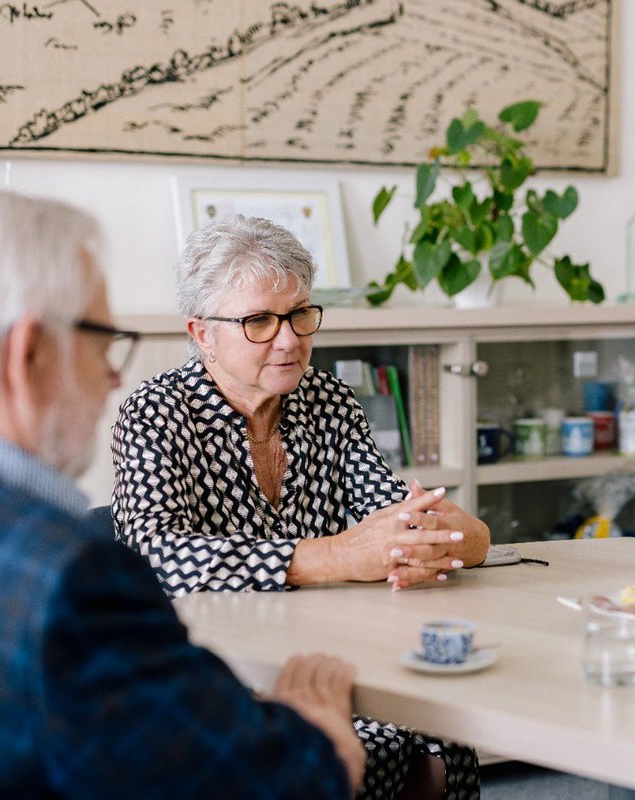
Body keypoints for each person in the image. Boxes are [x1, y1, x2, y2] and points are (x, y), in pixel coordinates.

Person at [0, 191, 364, 796]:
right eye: (101, 340)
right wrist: (322, 729)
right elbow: (277, 782)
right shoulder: (68, 576)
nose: (113, 375)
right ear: (30, 353)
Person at [110, 215, 485, 799]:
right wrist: (335, 556)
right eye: (259, 321)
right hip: (217, 670)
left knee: (441, 731)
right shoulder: (156, 414)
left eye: (299, 314)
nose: (289, 339)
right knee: (370, 741)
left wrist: (466, 538)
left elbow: (400, 518)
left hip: (339, 651)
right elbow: (154, 555)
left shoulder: (330, 400)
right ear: (202, 332)